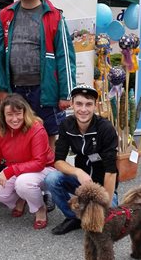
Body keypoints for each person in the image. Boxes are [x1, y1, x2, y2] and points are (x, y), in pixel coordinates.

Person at [0, 0, 76, 150]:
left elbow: (65, 56)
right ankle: (22, 175)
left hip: (45, 89)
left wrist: (66, 94)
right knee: (18, 134)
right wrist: (2, 87)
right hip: (16, 88)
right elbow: (0, 54)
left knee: (48, 134)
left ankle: (48, 175)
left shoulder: (54, 15)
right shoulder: (6, 15)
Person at [0, 93, 55, 229]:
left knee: (23, 183)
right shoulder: (1, 131)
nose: (14, 119)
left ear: (25, 112)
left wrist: (10, 171)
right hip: (17, 169)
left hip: (44, 169)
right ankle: (21, 199)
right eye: (9, 114)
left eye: (18, 113)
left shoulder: (36, 128)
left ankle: (40, 208)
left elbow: (39, 162)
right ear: (3, 115)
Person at [44, 84, 119, 235]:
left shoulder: (106, 128)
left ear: (95, 106)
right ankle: (74, 217)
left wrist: (106, 204)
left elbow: (111, 172)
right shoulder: (66, 125)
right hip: (81, 182)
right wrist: (77, 172)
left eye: (88, 104)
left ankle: (96, 211)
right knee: (51, 179)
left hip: (103, 185)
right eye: (79, 104)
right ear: (72, 104)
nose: (83, 109)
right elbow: (58, 161)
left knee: (106, 222)